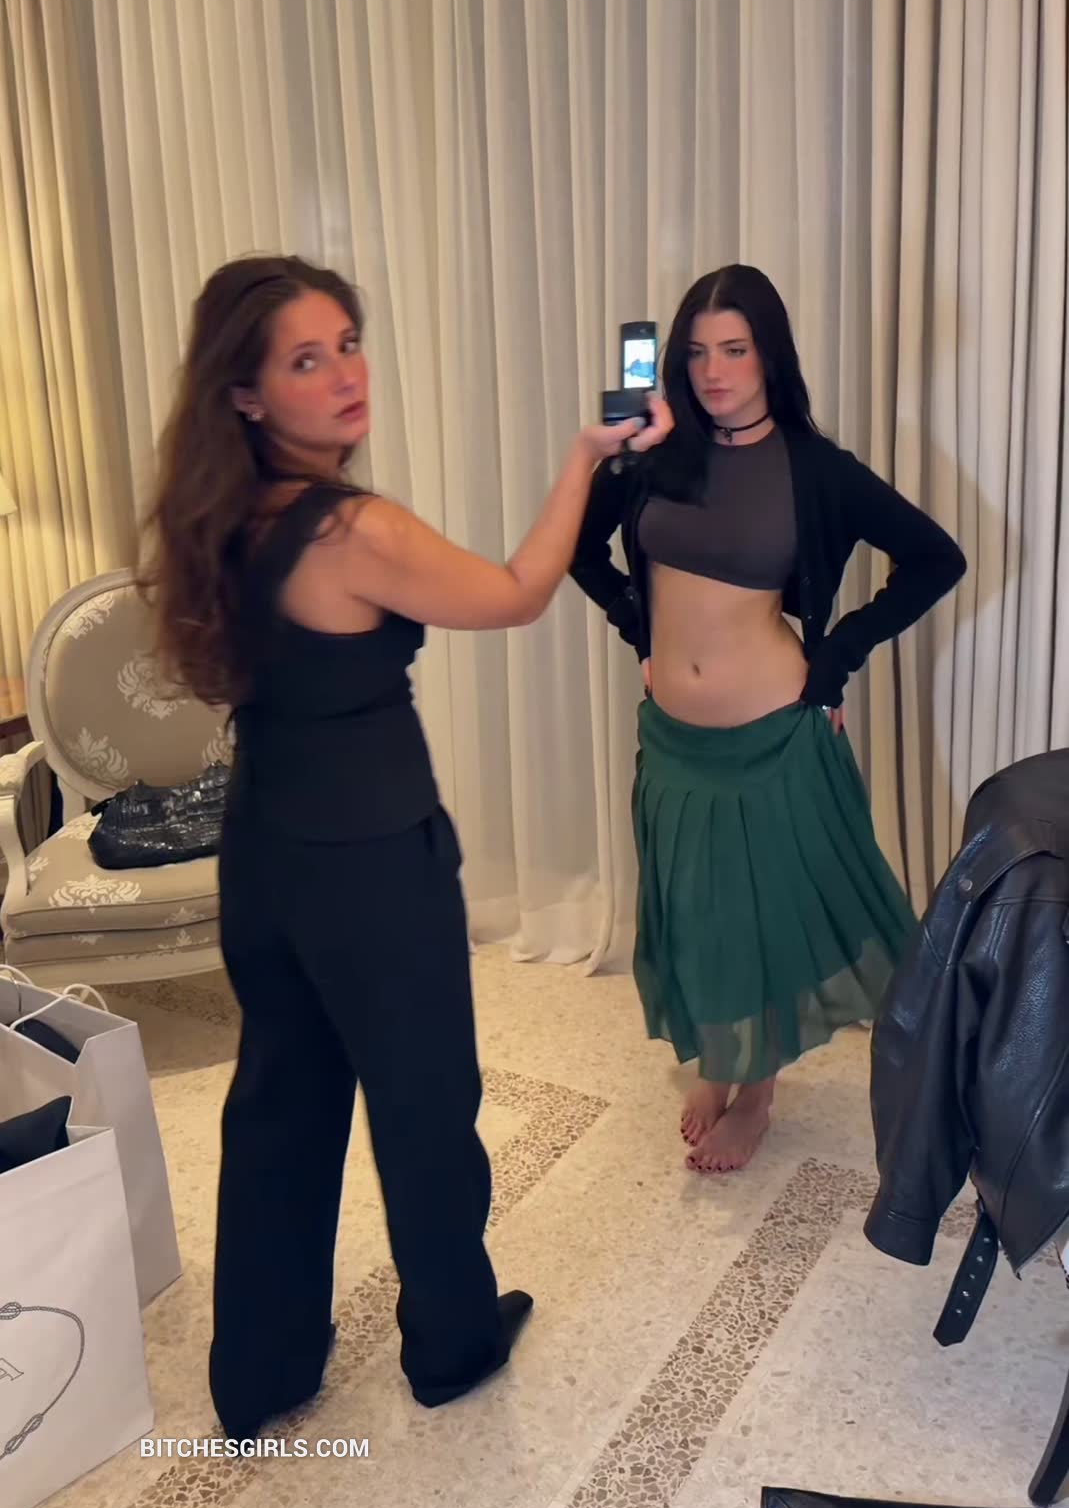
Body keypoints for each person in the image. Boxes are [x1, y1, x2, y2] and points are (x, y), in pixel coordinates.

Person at [137, 254, 672, 1437]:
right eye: (306, 358)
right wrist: (584, 458)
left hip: (263, 851)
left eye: (348, 342)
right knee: (424, 1100)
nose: (346, 374)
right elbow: (518, 589)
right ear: (245, 392)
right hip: (371, 855)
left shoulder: (215, 516)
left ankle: (261, 1372)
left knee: (280, 1103)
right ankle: (450, 1342)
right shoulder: (350, 526)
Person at [569, 265, 966, 1175]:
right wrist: (638, 628)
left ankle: (755, 1091)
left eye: (734, 350)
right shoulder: (653, 458)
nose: (713, 372)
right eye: (696, 352)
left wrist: (836, 658)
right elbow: (580, 551)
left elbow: (935, 559)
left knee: (762, 914)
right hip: (674, 737)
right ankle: (720, 1058)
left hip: (772, 732)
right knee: (694, 908)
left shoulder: (813, 469)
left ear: (769, 356)